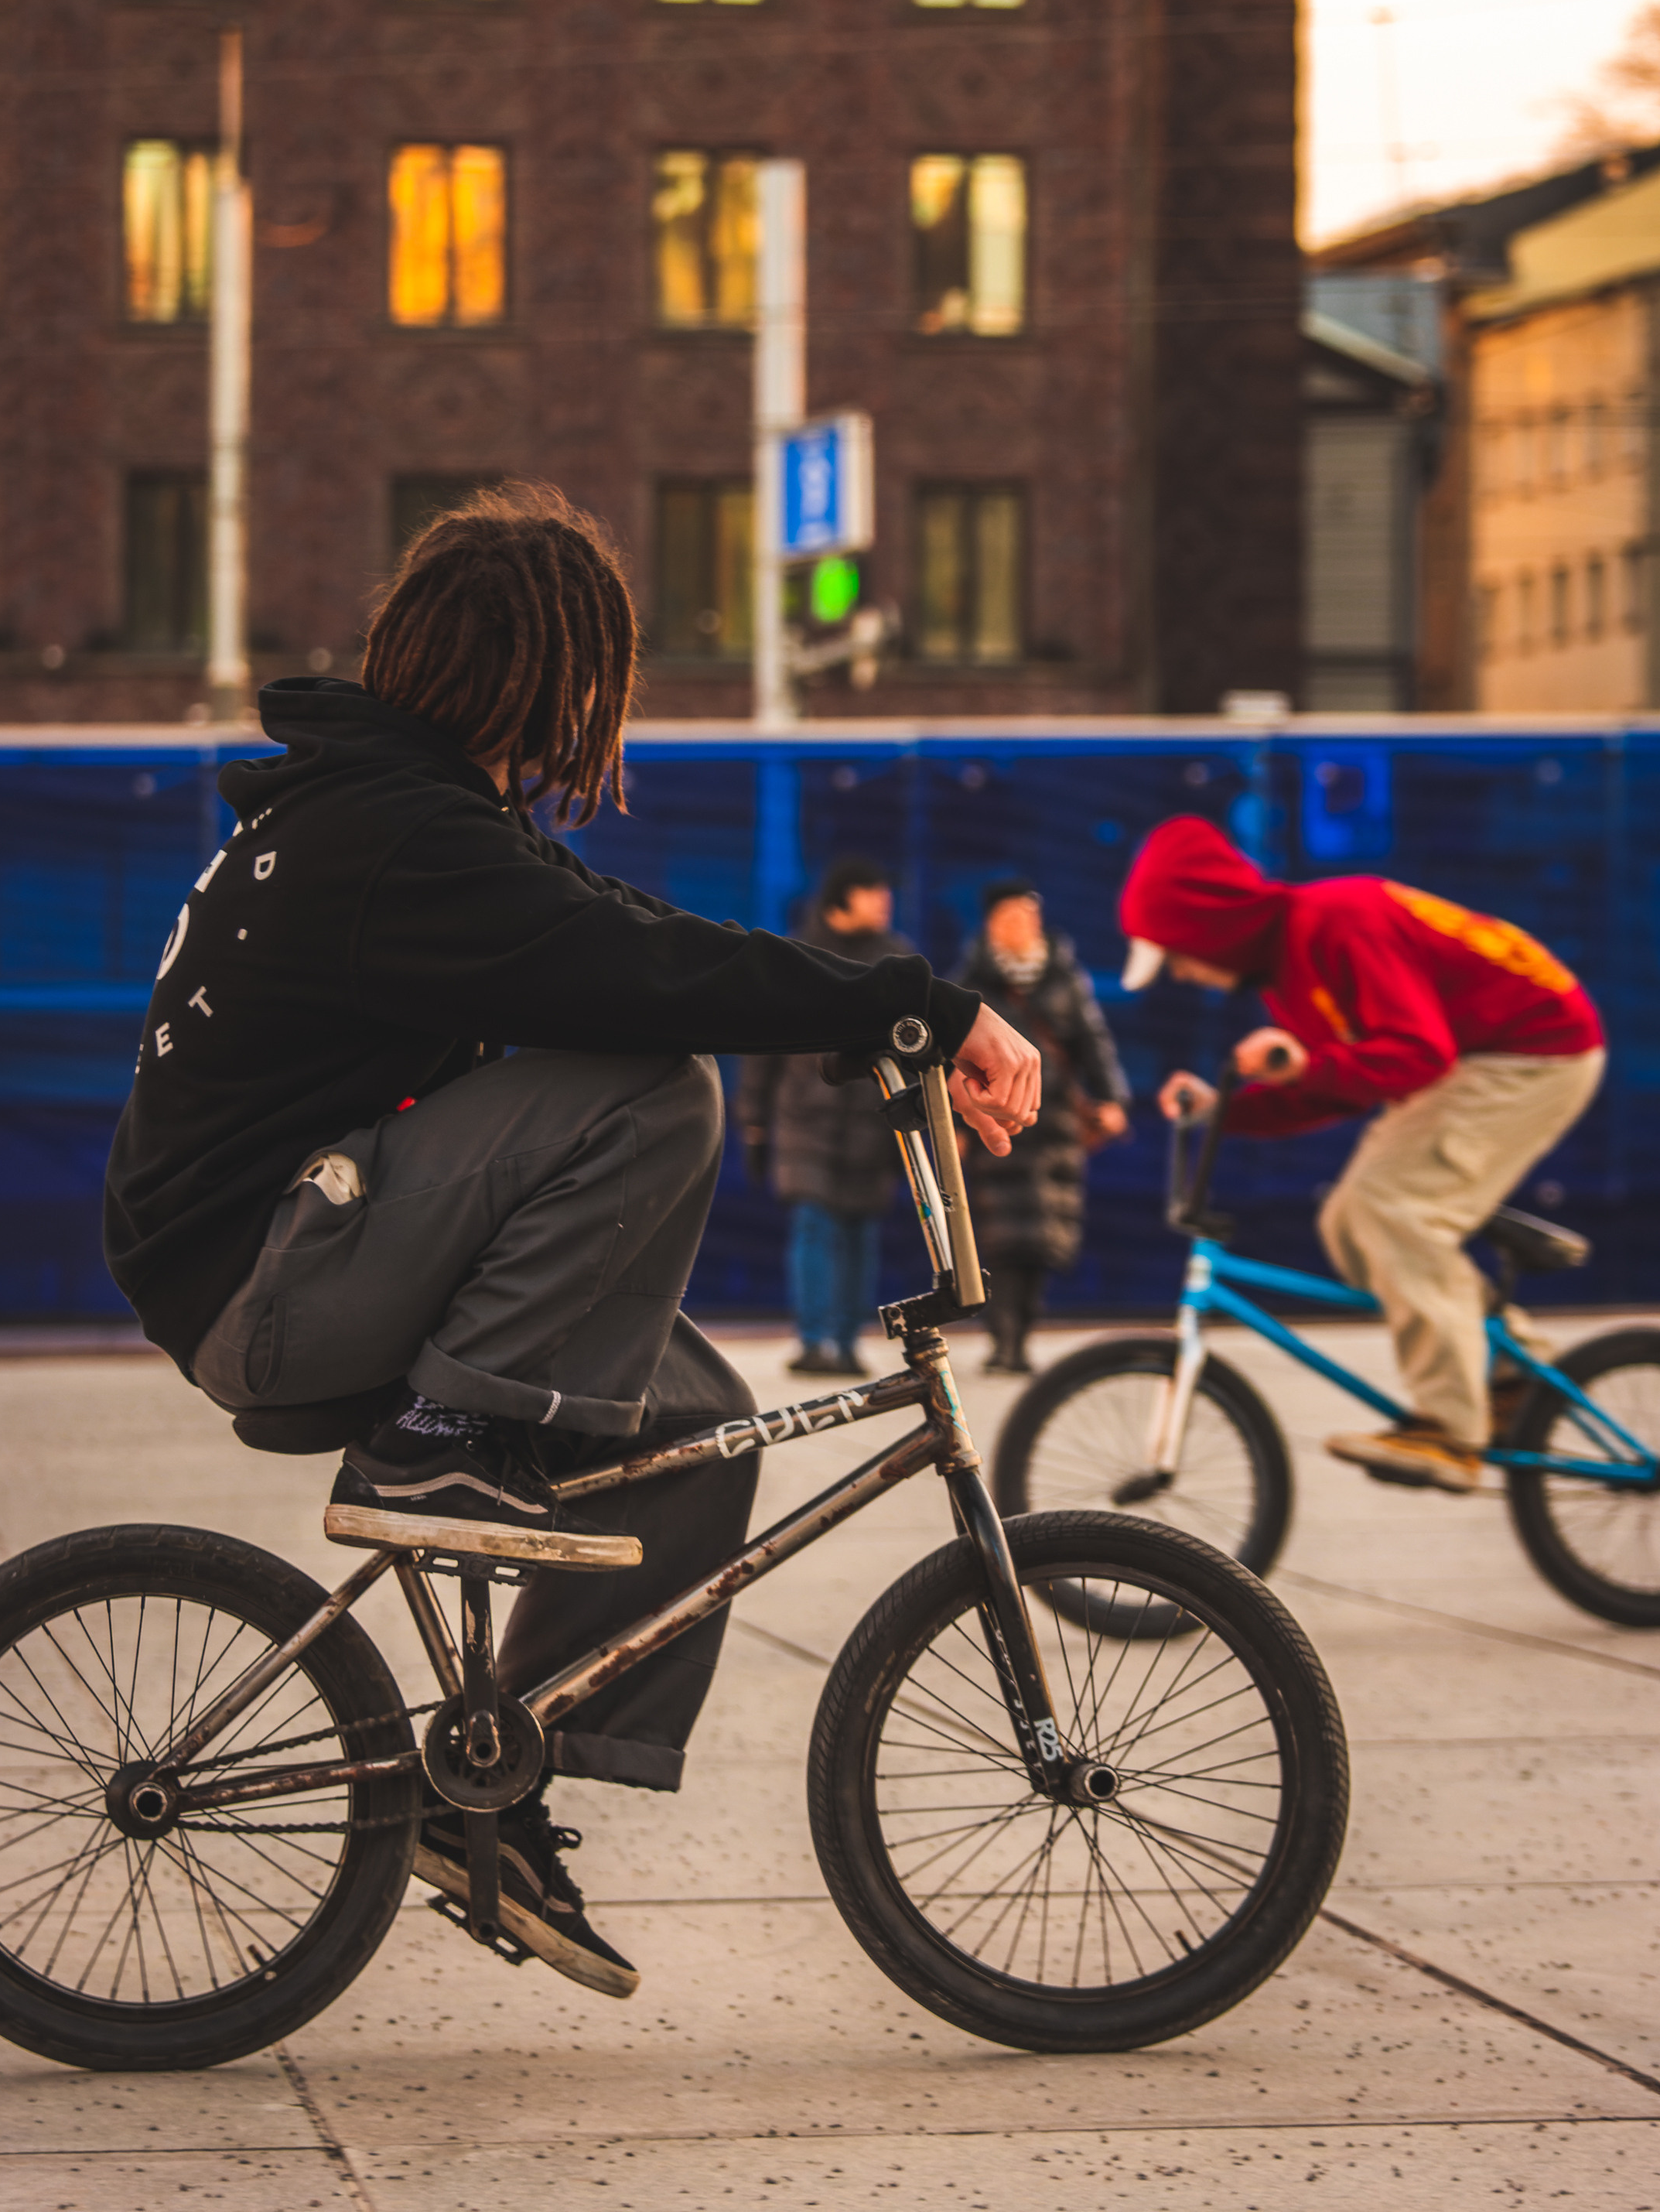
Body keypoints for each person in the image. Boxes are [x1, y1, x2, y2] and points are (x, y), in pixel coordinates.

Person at [103, 485, 1040, 2001]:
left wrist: (874, 1014)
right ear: (549, 677)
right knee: (659, 1090)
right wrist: (905, 1002)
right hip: (273, 1282)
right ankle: (438, 1438)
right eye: (599, 679)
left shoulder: (415, 820)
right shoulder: (399, 839)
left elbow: (632, 932)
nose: (605, 714)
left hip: (299, 1252)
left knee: (698, 1431)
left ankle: (495, 1784)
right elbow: (645, 981)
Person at [1119, 814, 1605, 1493]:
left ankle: (1450, 1427)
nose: (1183, 974)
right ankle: (1511, 1378)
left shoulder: (1336, 921)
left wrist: (1297, 1071)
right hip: (1480, 1054)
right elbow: (1342, 1083)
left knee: (1392, 1207)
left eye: (1177, 954)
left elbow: (1415, 1053)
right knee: (1350, 1220)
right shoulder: (1289, 967)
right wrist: (1222, 1109)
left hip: (1532, 1049)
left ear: (1209, 927)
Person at [736, 857, 910, 1377]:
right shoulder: (797, 957)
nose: (885, 902)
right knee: (815, 1225)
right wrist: (754, 1120)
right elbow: (761, 1046)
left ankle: (847, 1341)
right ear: (842, 898)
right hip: (805, 1121)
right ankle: (815, 1342)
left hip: (873, 1125)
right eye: (874, 892)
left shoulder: (896, 960)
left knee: (860, 1233)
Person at [957, 877, 1131, 1374]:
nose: (1023, 926)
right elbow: (954, 1057)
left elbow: (1092, 1041)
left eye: (1029, 916)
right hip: (1000, 1122)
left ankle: (1023, 1333)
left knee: (1044, 1241)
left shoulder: (1063, 975)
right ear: (992, 924)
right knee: (1001, 1239)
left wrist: (1112, 1098)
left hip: (1053, 1123)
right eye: (1012, 917)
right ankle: (1003, 1339)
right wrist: (960, 1127)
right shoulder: (973, 978)